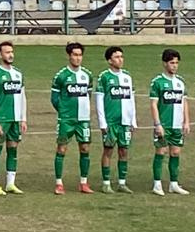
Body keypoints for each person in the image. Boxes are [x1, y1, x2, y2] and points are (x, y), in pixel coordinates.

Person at [50, 41, 94, 195]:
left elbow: (88, 95)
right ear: (69, 56)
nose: (78, 58)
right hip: (66, 120)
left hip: (83, 119)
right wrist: (63, 112)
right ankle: (59, 183)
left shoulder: (87, 75)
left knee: (85, 148)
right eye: (75, 55)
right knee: (62, 148)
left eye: (80, 55)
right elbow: (54, 99)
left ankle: (83, 182)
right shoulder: (61, 76)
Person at [0, 41, 25, 195]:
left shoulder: (18, 73)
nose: (10, 55)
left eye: (12, 52)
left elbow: (22, 96)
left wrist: (23, 118)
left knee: (13, 150)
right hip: (1, 119)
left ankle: (10, 184)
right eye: (7, 52)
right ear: (0, 55)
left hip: (15, 119)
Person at [94, 46, 136, 193]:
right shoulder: (104, 77)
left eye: (121, 56)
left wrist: (133, 120)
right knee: (108, 150)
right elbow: (99, 100)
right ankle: (106, 183)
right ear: (109, 60)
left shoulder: (127, 77)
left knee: (124, 151)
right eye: (117, 57)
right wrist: (102, 122)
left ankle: (122, 183)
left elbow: (131, 99)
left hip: (125, 121)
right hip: (111, 121)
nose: (120, 59)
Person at [149, 48, 191, 196]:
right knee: (161, 151)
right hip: (164, 124)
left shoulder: (180, 82)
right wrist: (157, 124)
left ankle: (174, 184)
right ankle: (157, 184)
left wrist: (186, 121)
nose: (175, 66)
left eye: (176, 63)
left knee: (175, 152)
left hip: (177, 124)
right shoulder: (157, 82)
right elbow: (153, 104)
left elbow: (184, 102)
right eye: (172, 63)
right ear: (165, 63)